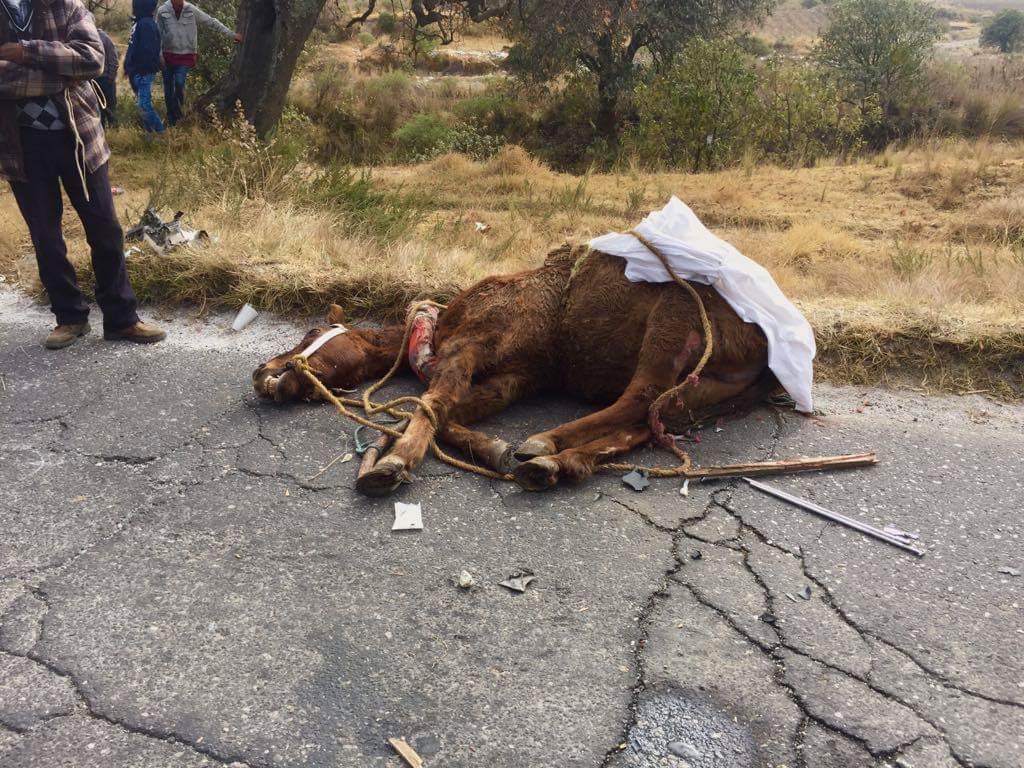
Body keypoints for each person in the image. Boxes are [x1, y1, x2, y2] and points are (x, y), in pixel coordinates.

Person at [0, 0, 166, 348]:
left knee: (105, 228)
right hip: (21, 145)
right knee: (45, 237)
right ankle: (70, 317)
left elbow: (92, 59)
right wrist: (58, 72)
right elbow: (72, 64)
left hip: (79, 139)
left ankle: (122, 319)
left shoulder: (64, 5)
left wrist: (24, 51)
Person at [156, 0, 239, 126]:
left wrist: (232, 35)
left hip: (185, 56)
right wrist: (159, 55)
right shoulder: (162, 11)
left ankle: (178, 115)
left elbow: (211, 21)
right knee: (168, 88)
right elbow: (157, 34)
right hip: (167, 56)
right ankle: (171, 118)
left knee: (179, 83)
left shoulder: (191, 9)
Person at [123, 0, 163, 133]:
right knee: (142, 105)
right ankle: (150, 135)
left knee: (144, 105)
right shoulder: (139, 23)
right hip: (137, 72)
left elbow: (149, 51)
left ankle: (161, 133)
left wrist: (139, 71)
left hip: (143, 72)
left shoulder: (146, 24)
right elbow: (133, 47)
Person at [96, 26, 117, 127]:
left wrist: (110, 78)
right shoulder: (104, 38)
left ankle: (115, 131)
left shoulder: (104, 38)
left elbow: (113, 61)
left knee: (109, 108)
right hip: (96, 80)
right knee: (100, 109)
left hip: (105, 79)